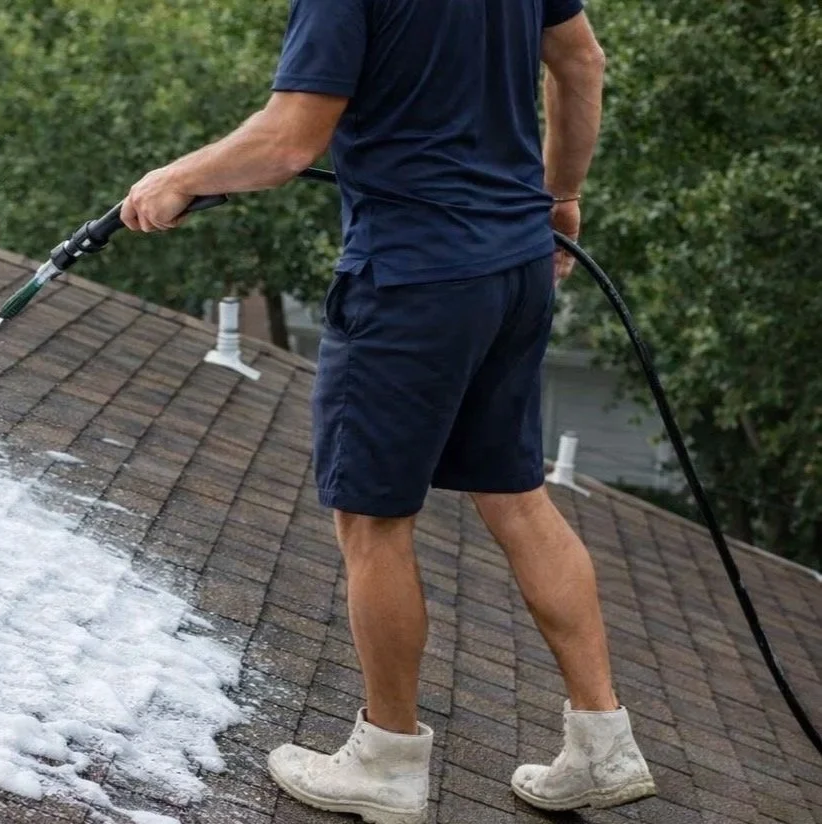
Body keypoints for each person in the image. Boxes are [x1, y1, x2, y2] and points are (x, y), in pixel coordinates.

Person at [120, 0, 656, 821]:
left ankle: (388, 761)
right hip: (512, 268)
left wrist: (176, 178)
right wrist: (563, 196)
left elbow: (291, 141)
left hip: (414, 282)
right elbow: (583, 62)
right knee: (516, 495)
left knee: (373, 522)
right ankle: (603, 743)